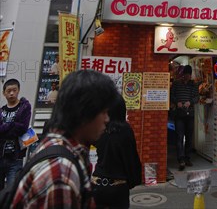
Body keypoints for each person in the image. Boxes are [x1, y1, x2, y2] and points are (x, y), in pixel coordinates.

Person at [12, 69, 120, 208]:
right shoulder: (61, 174)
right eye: (104, 112)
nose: (107, 119)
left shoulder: (57, 146)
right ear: (85, 111)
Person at [92, 97, 141, 209]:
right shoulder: (125, 129)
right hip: (118, 186)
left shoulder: (100, 127)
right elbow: (131, 159)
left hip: (97, 183)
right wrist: (133, 180)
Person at [0, 78, 31, 190]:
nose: (12, 93)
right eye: (9, 91)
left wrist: (5, 128)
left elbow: (23, 128)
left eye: (14, 90)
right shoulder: (1, 111)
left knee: (12, 191)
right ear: (4, 93)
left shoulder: (24, 107)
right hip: (1, 156)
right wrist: (12, 125)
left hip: (16, 157)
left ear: (18, 90)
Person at [170, 64, 199, 170]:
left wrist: (189, 102)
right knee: (179, 136)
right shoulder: (176, 84)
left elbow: (196, 97)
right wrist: (177, 102)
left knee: (189, 137)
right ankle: (180, 159)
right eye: (186, 74)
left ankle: (187, 157)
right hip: (179, 114)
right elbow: (171, 95)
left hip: (190, 114)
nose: (187, 76)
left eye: (189, 74)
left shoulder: (193, 85)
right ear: (183, 74)